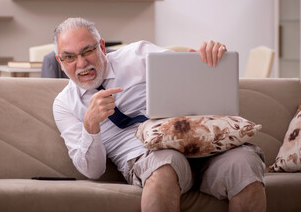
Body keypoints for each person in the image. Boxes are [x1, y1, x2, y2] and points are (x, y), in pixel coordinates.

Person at [53, 17, 266, 212]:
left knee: (244, 162)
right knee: (165, 164)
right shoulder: (64, 104)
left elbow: (191, 76)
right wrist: (91, 126)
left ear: (101, 47)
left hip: (203, 145)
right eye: (69, 57)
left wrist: (207, 62)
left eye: (87, 51)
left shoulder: (139, 55)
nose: (81, 64)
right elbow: (93, 171)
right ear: (60, 61)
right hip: (148, 157)